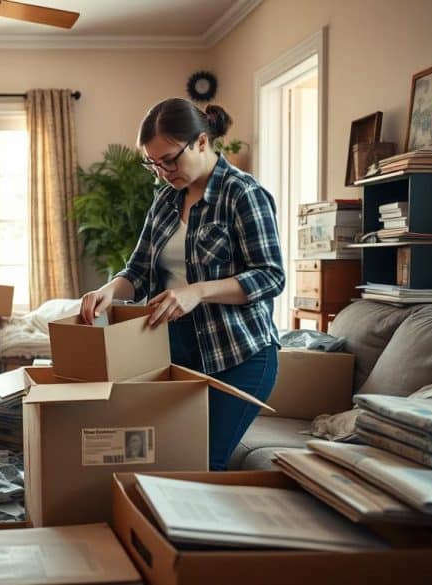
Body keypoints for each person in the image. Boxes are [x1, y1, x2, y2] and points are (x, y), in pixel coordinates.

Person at [79, 97, 284, 471]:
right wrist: (109, 290)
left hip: (238, 356)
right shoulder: (164, 201)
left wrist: (198, 291)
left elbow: (270, 276)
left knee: (201, 465)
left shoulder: (242, 194)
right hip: (175, 353)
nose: (162, 172)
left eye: (170, 160)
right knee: (157, 460)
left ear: (202, 142)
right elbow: (137, 271)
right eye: (153, 163)